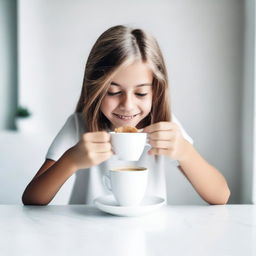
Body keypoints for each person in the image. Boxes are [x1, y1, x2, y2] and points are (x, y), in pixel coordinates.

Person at [22, 25, 230, 206]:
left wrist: (186, 153)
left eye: (141, 93)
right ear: (95, 89)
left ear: (155, 91)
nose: (128, 106)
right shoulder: (79, 125)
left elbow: (220, 196)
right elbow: (32, 198)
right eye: (113, 92)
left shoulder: (163, 126)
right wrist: (71, 160)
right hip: (86, 235)